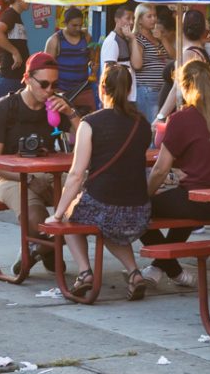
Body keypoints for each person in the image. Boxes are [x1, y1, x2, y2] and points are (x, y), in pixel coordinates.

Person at [46, 62, 150, 299]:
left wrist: (58, 214)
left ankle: (85, 273)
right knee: (109, 226)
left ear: (102, 89)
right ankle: (134, 273)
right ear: (129, 89)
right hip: (139, 210)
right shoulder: (142, 123)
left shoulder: (90, 123)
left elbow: (75, 175)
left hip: (105, 205)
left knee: (72, 218)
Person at [141, 60, 210, 289]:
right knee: (183, 198)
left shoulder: (182, 119)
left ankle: (170, 267)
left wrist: (146, 195)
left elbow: (160, 168)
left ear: (185, 87)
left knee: (133, 209)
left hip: (200, 200)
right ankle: (163, 267)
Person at [0, 52, 79, 273]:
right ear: (27, 79)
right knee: (37, 222)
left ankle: (37, 250)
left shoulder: (57, 105)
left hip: (49, 173)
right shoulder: (6, 107)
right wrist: (27, 178)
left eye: (54, 85)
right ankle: (45, 247)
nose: (49, 91)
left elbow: (87, 137)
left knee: (86, 208)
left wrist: (71, 113)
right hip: (10, 177)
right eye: (44, 84)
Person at [155, 10, 210, 121]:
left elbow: (177, 88)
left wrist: (160, 116)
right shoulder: (193, 51)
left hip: (177, 113)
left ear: (181, 26)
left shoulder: (189, 54)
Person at [43, 7, 95, 114]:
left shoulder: (86, 38)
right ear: (65, 23)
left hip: (83, 89)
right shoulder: (54, 40)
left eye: (80, 25)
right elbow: (47, 69)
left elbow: (93, 58)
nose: (78, 28)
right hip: (62, 91)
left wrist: (94, 66)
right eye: (74, 25)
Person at [131, 3, 169, 123]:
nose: (154, 19)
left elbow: (174, 55)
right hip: (148, 90)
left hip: (160, 90)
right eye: (149, 16)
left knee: (158, 127)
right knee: (152, 127)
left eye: (155, 16)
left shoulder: (157, 37)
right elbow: (137, 65)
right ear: (140, 20)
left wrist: (162, 38)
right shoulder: (137, 38)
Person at [0, 0, 30, 97]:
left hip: (16, 77)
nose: (29, 1)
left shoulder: (15, 16)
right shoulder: (10, 14)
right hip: (10, 77)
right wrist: (15, 52)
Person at [99, 5, 137, 104]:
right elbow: (109, 71)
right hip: (119, 98)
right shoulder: (112, 41)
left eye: (133, 18)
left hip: (127, 95)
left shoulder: (124, 39)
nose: (131, 22)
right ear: (117, 20)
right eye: (128, 18)